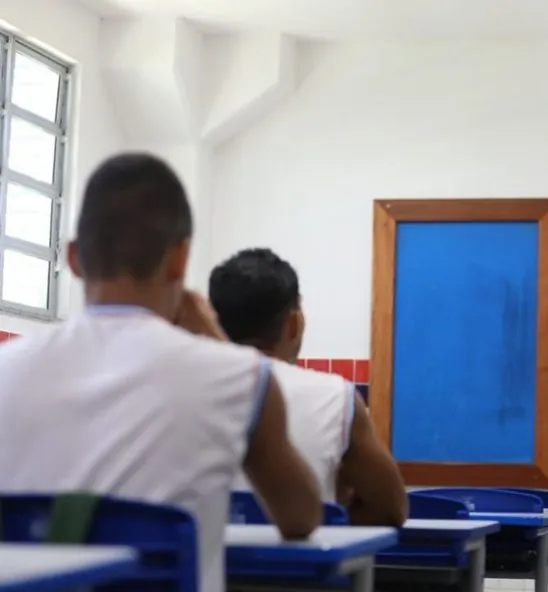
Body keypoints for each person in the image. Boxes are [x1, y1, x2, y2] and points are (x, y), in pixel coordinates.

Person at [0, 153, 323, 592]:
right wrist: (219, 345)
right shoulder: (242, 378)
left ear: (74, 259)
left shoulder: (7, 368)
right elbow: (302, 518)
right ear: (179, 259)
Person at [209, 248, 408, 526]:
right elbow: (391, 509)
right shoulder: (337, 399)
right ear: (293, 324)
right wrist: (332, 513)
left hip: (202, 553)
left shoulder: (178, 390)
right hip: (303, 551)